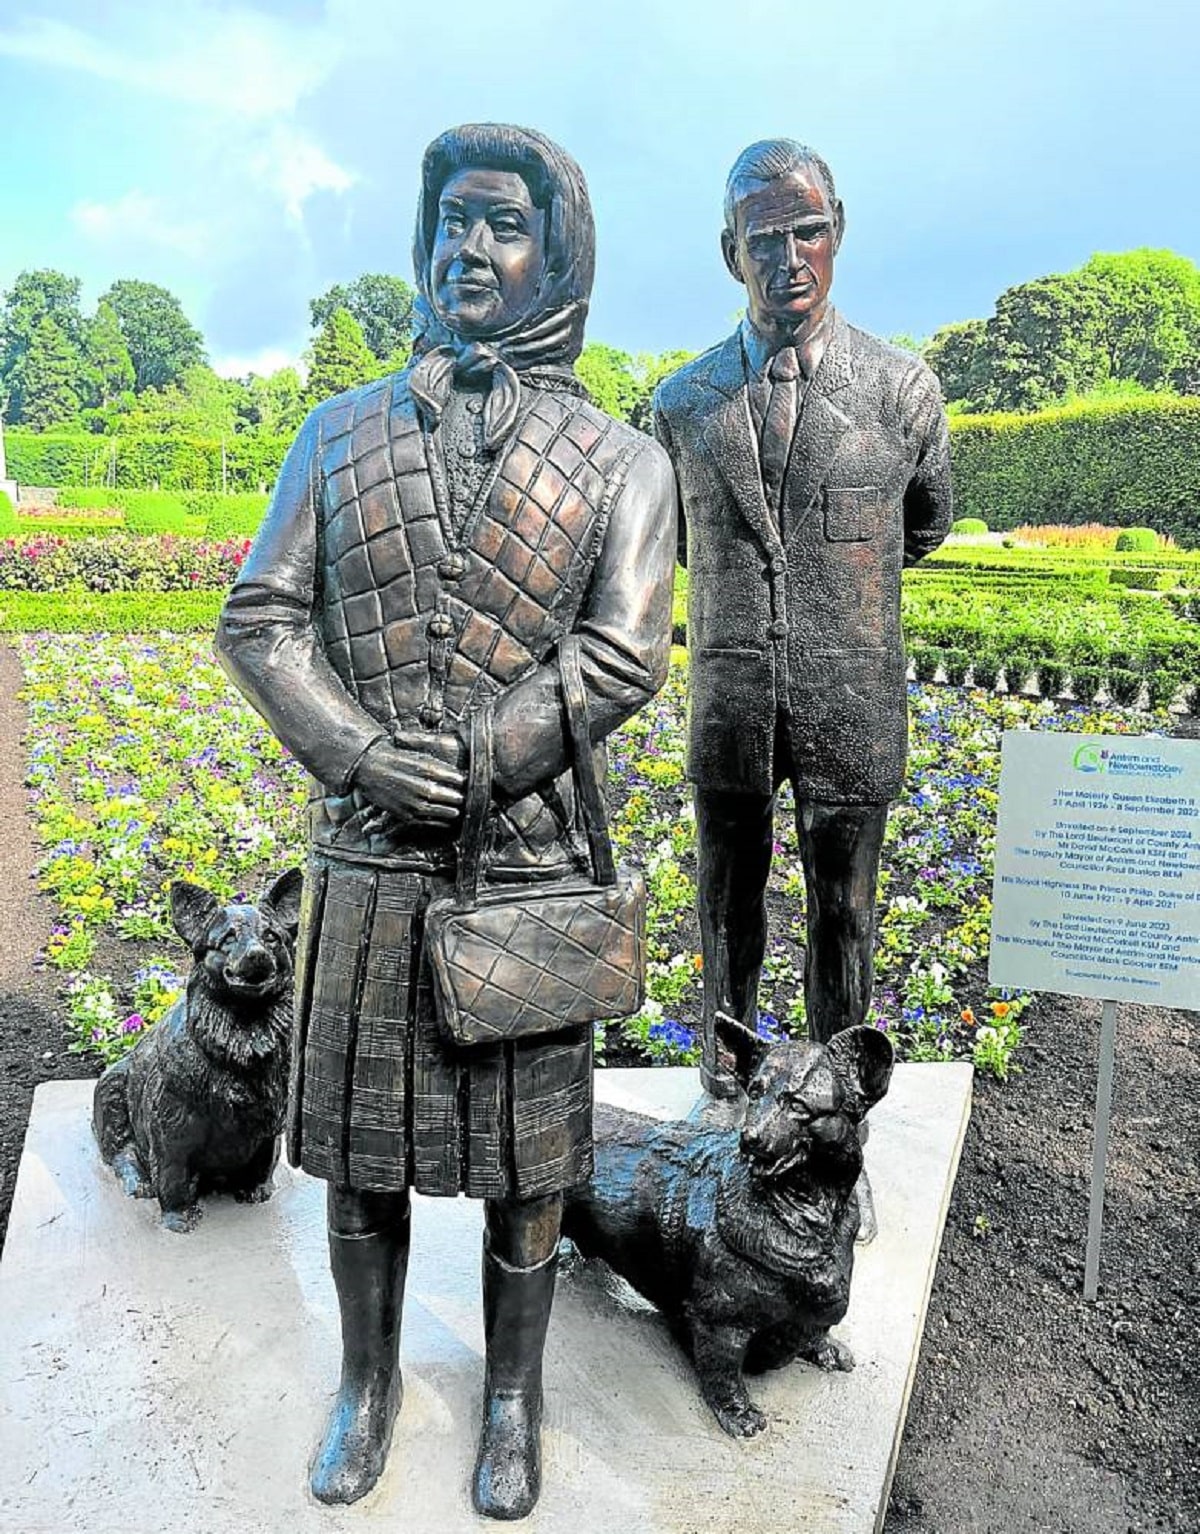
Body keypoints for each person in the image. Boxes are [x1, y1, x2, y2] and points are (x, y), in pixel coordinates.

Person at [216, 122, 676, 1520]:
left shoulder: (620, 459)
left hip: (518, 864)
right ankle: (367, 1385)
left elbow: (620, 652)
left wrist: (474, 760)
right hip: (366, 860)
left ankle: (515, 1399)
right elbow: (263, 615)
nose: (469, 251)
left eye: (503, 227)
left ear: (558, 254)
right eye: (453, 224)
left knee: (525, 1166)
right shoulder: (336, 432)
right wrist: (357, 751)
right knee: (363, 1151)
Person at [652, 139, 952, 1231]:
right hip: (730, 704)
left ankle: (836, 1137)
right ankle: (725, 1102)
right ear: (730, 250)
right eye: (766, 236)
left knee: (847, 920)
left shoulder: (903, 390)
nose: (791, 256)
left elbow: (924, 524)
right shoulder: (682, 404)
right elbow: (680, 546)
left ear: (840, 229)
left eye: (809, 229)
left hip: (852, 701)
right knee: (725, 913)